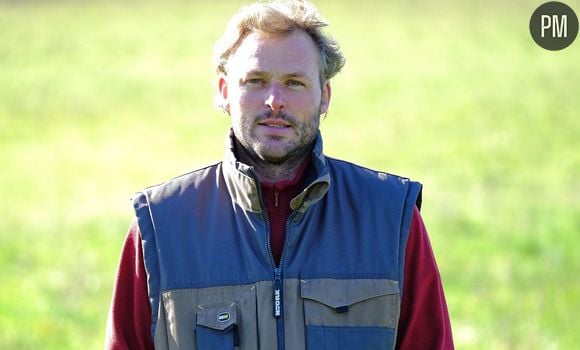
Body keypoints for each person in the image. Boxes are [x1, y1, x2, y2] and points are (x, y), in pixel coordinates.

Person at [105, 0, 454, 349]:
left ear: (325, 96)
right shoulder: (161, 226)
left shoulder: (391, 218)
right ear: (226, 92)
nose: (274, 100)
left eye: (294, 82)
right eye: (256, 81)